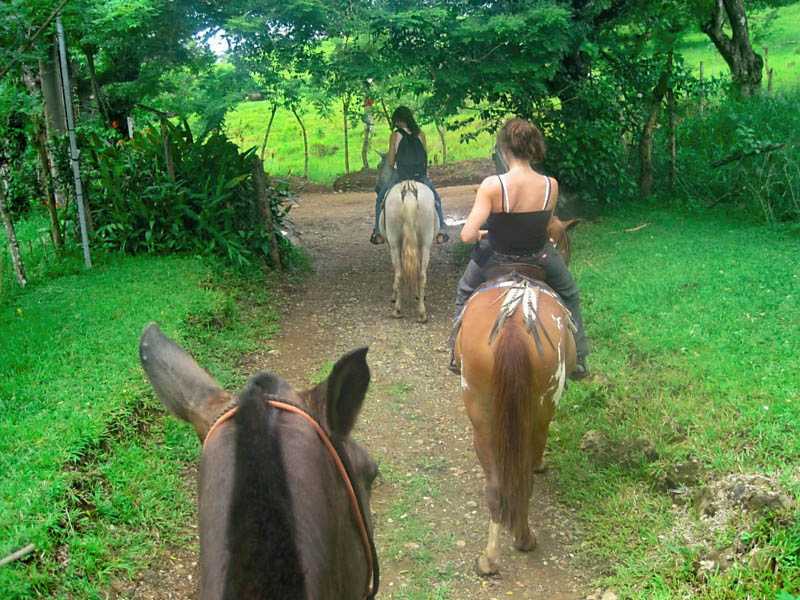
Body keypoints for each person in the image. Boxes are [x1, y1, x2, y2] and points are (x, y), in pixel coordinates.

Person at [452, 118, 590, 379]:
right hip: (539, 257)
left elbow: (467, 235)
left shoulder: (492, 185)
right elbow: (546, 226)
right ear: (533, 147)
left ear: (504, 149)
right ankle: (580, 356)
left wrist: (484, 233)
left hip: (495, 257)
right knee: (569, 293)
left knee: (464, 290)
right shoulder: (550, 185)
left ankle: (454, 352)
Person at [371, 106, 449, 245]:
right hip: (420, 176)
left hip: (400, 176)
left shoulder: (395, 135)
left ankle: (377, 232)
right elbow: (424, 157)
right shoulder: (421, 134)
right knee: (436, 199)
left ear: (398, 120)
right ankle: (442, 230)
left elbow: (390, 162)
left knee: (380, 199)